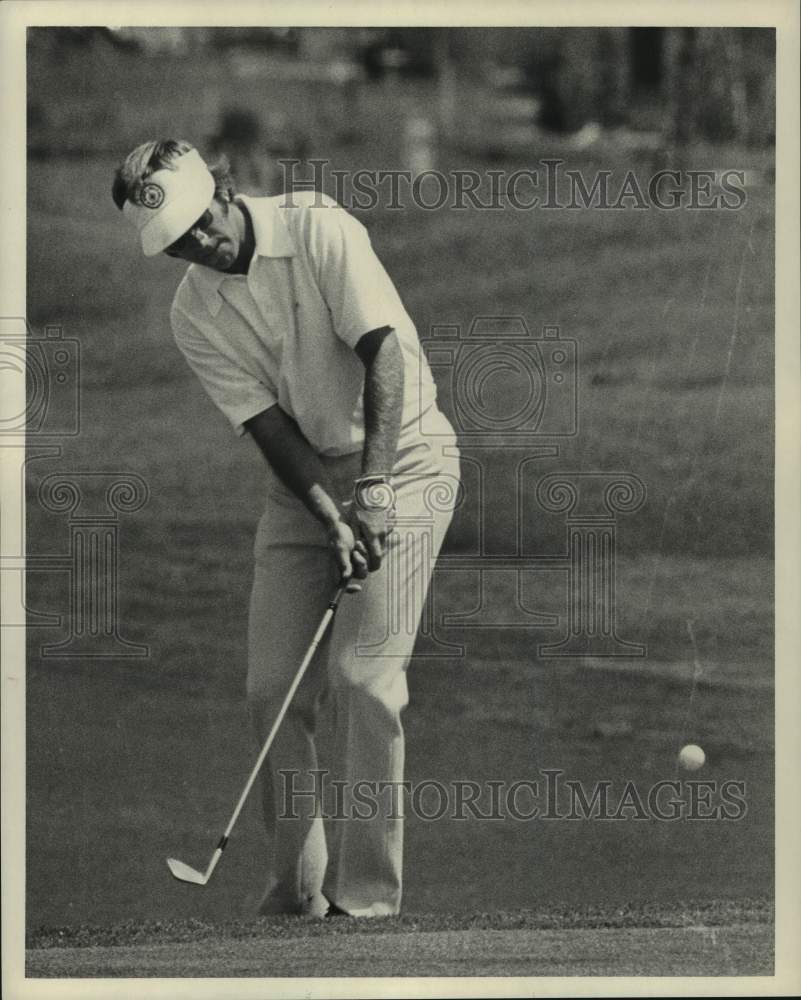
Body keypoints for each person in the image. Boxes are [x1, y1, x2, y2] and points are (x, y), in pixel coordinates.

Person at [112, 139, 460, 918]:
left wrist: (370, 492)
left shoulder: (317, 227)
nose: (195, 245)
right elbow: (268, 427)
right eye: (173, 242)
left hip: (403, 459)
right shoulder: (191, 311)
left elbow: (386, 356)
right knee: (271, 685)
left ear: (224, 192)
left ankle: (367, 900)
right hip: (302, 485)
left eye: (198, 224)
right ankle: (294, 898)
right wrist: (330, 513)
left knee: (361, 678)